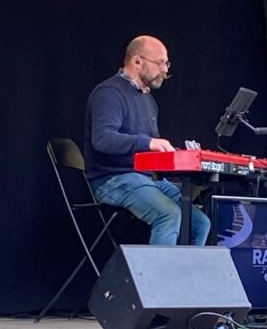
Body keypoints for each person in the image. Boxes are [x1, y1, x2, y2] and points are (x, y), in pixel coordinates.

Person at [84, 35, 211, 246]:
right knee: (168, 214)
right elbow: (102, 139)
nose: (165, 70)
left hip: (147, 178)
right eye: (160, 63)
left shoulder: (148, 99)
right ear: (137, 61)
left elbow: (151, 147)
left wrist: (179, 154)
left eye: (167, 64)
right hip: (113, 178)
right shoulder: (109, 93)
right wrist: (149, 142)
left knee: (200, 223)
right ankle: (161, 269)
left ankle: (182, 268)